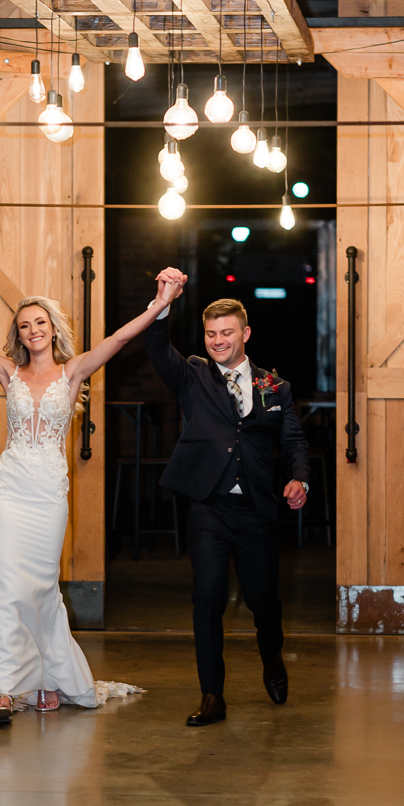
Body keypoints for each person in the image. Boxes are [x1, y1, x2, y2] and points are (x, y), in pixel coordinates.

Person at [0, 269, 184, 722]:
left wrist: (160, 303)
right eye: (24, 325)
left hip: (49, 491)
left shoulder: (72, 372)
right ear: (18, 335)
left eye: (40, 322)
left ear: (53, 329)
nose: (33, 330)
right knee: (6, 584)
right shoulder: (7, 372)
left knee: (41, 585)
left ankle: (49, 678)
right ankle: (3, 688)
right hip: (9, 488)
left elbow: (118, 339)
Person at [145, 274, 310, 727]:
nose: (218, 341)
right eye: (211, 333)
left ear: (245, 333)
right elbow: (157, 348)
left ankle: (272, 661)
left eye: (226, 332)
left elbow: (293, 442)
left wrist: (299, 479)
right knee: (208, 597)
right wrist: (163, 303)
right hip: (209, 508)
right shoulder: (193, 375)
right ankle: (212, 695)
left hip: (256, 510)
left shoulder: (274, 387)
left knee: (263, 602)